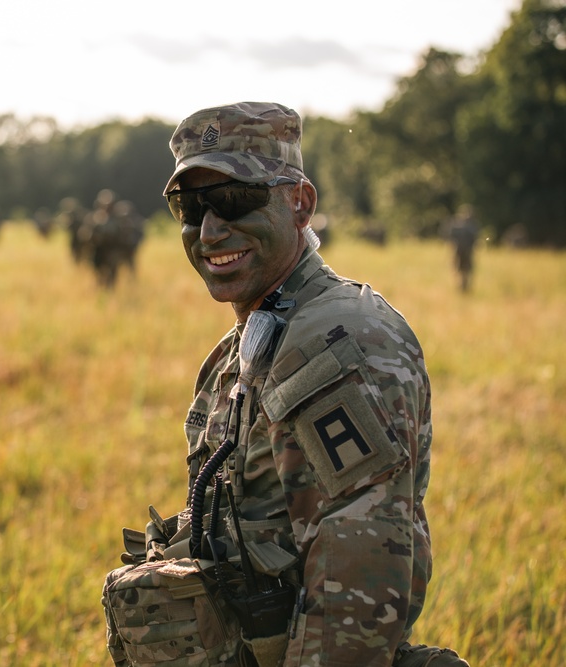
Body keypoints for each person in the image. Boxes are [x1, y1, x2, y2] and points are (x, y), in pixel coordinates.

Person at [101, 102, 468, 667]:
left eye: (235, 199)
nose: (210, 230)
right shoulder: (247, 343)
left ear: (300, 203)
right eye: (190, 207)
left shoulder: (336, 342)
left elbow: (361, 576)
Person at [447, 206, 479, 293]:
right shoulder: (471, 226)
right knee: (463, 270)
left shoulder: (457, 225)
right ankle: (463, 286)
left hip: (462, 252)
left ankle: (463, 286)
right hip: (463, 252)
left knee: (462, 270)